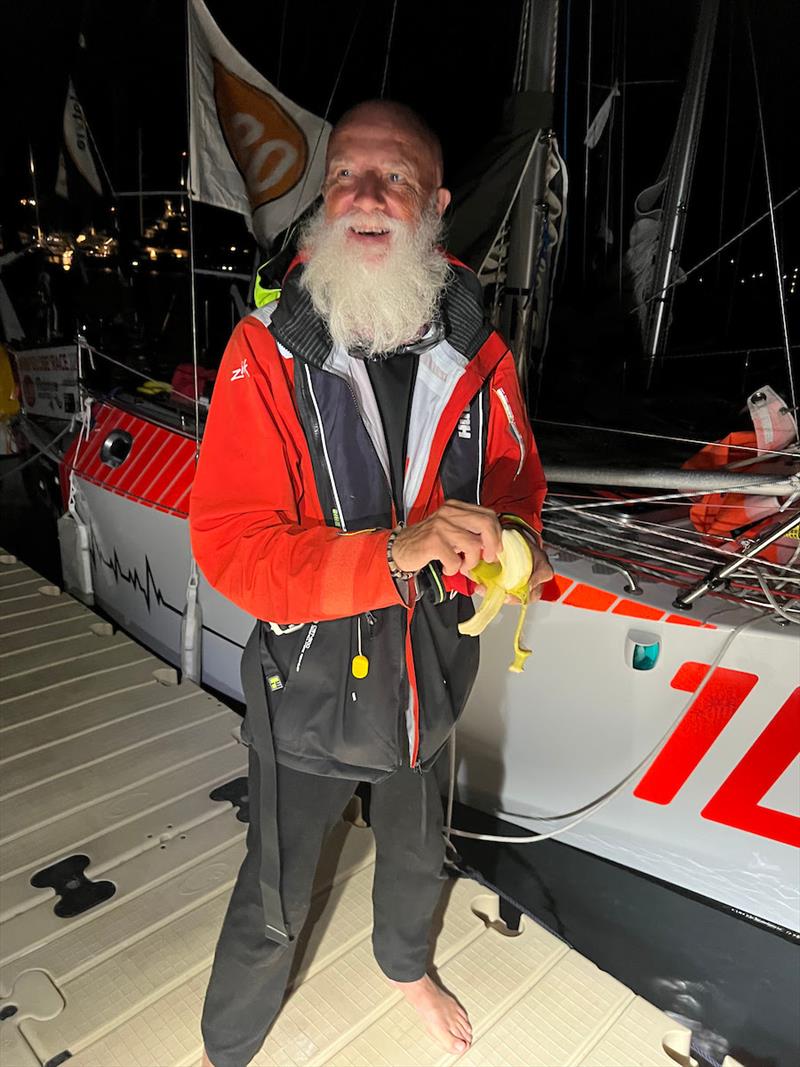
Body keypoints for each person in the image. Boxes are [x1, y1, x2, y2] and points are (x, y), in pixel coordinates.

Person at [189, 99, 552, 1067]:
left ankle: (404, 968)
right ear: (322, 196)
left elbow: (517, 480)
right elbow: (230, 550)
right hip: (303, 689)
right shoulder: (261, 352)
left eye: (392, 177)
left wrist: (514, 534)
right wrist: (395, 551)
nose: (366, 195)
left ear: (431, 204)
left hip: (428, 677)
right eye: (347, 173)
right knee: (273, 889)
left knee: (412, 848)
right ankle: (230, 1041)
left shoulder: (480, 350)